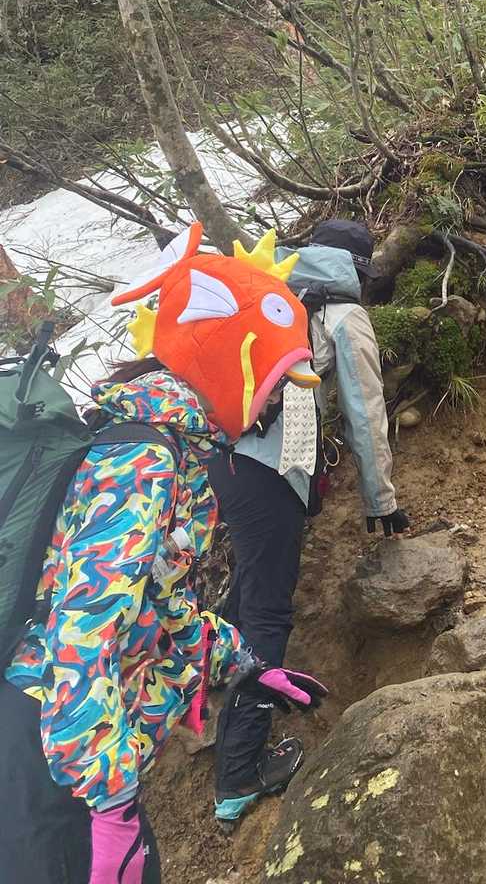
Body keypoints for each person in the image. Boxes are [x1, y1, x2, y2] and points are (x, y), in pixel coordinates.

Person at [0, 223, 327, 884]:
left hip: (66, 747)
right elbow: (80, 631)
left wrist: (242, 663)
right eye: (274, 381)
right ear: (230, 363)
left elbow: (161, 597)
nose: (273, 403)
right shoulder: (143, 461)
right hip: (47, 750)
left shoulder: (172, 448)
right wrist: (112, 806)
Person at [208, 216, 408, 824]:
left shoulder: (271, 293)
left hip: (223, 459)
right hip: (272, 472)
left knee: (248, 592)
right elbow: (365, 413)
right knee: (267, 613)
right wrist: (381, 501)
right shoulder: (343, 315)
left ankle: (211, 707)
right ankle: (239, 772)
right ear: (358, 269)